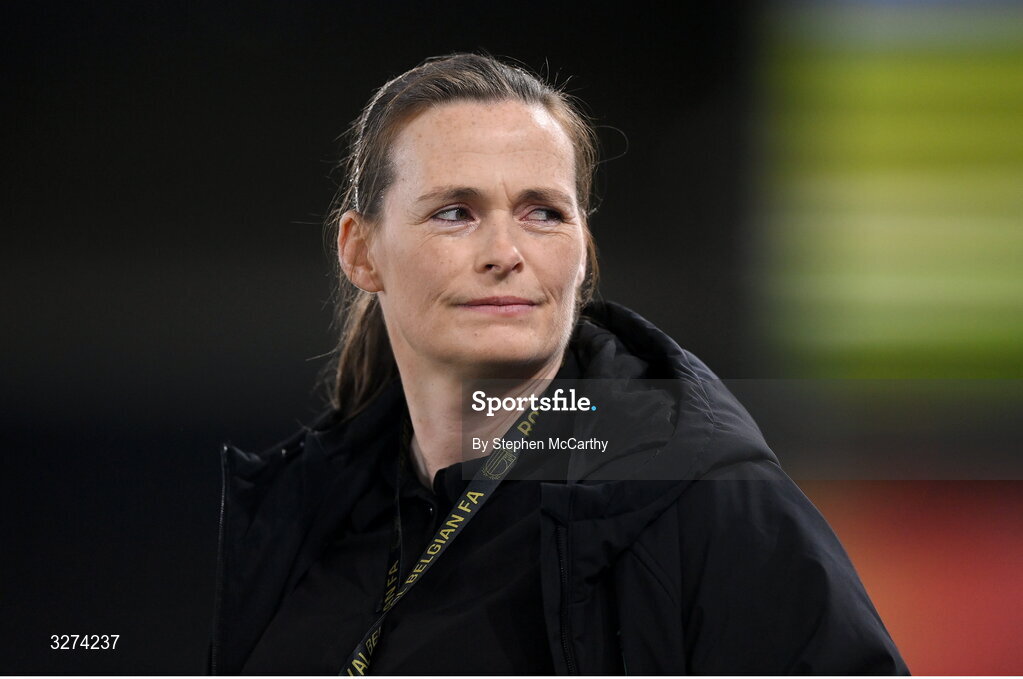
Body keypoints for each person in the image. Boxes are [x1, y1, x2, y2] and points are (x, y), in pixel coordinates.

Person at [207, 53, 908, 675]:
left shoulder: (698, 495)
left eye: (542, 212)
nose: (505, 252)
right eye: (455, 212)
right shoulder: (306, 513)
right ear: (361, 251)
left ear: (582, 248)